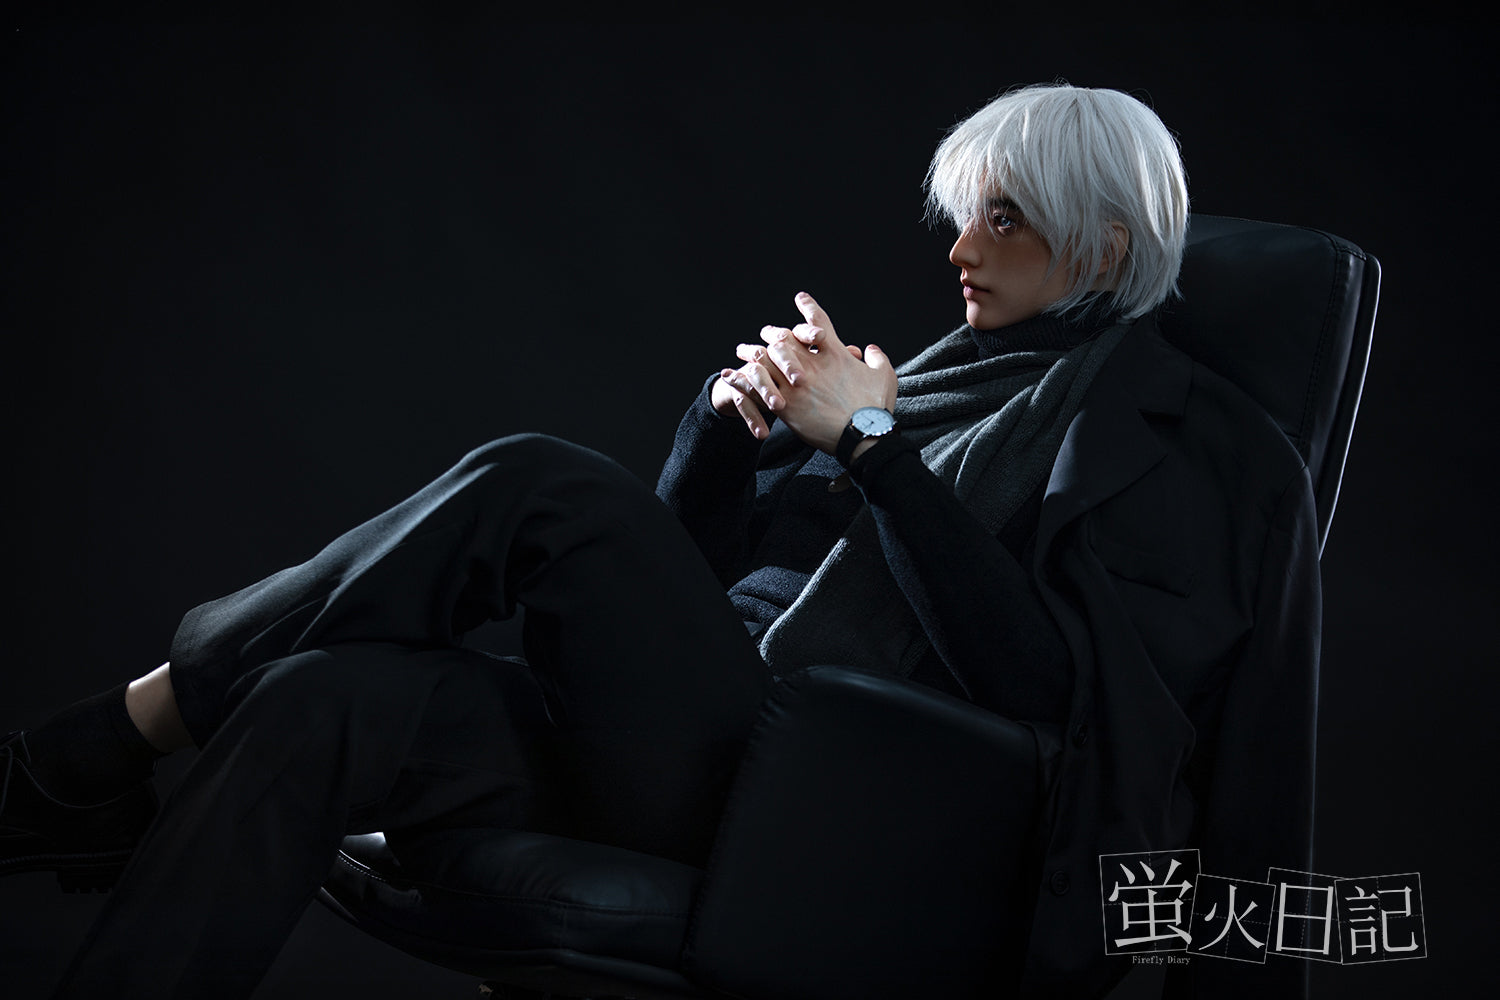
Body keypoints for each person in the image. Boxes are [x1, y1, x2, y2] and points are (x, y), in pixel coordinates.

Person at [1, 83, 1318, 999]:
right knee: (322, 699)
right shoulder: (939, 378)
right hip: (689, 749)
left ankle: (103, 747)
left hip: (823, 810)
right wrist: (730, 433)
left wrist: (873, 452)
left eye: (1005, 218)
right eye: (967, 212)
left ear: (1107, 240)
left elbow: (1050, 693)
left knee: (538, 482)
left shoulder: (1181, 444)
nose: (962, 246)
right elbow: (696, 577)